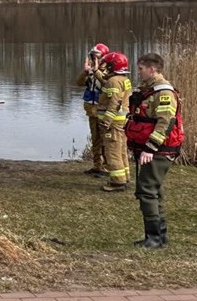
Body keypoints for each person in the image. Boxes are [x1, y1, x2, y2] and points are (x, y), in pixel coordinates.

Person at [124, 53, 185, 249]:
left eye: (141, 68)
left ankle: (154, 238)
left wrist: (150, 148)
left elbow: (166, 122)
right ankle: (160, 235)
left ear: (153, 69)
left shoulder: (164, 93)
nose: (139, 72)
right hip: (153, 149)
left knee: (147, 190)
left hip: (159, 150)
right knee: (155, 190)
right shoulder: (148, 91)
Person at [96, 51, 133, 192]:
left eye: (107, 64)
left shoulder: (113, 81)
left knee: (112, 152)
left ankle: (117, 182)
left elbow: (115, 102)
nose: (105, 66)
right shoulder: (123, 79)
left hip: (112, 124)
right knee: (121, 151)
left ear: (113, 65)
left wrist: (106, 121)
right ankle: (125, 177)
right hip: (121, 122)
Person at [75, 43, 110, 177]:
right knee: (95, 139)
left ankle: (107, 168)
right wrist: (85, 72)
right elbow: (79, 83)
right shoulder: (90, 70)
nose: (94, 58)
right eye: (93, 56)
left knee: (104, 140)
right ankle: (97, 166)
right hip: (92, 110)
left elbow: (106, 85)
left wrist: (96, 71)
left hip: (103, 111)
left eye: (97, 56)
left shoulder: (108, 72)